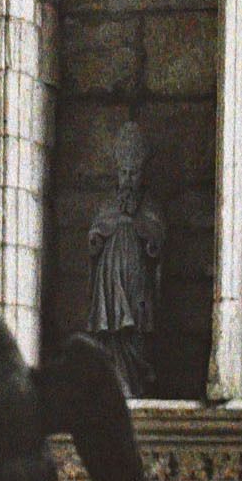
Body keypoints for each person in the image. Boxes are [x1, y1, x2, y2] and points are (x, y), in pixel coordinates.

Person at [86, 122, 165, 397]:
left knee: (136, 328)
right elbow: (96, 232)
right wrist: (96, 239)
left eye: (133, 173)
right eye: (124, 173)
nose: (128, 179)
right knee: (112, 330)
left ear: (142, 175)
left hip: (137, 279)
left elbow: (157, 238)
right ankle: (117, 385)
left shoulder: (149, 206)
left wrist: (141, 225)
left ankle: (136, 384)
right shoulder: (107, 204)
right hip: (109, 280)